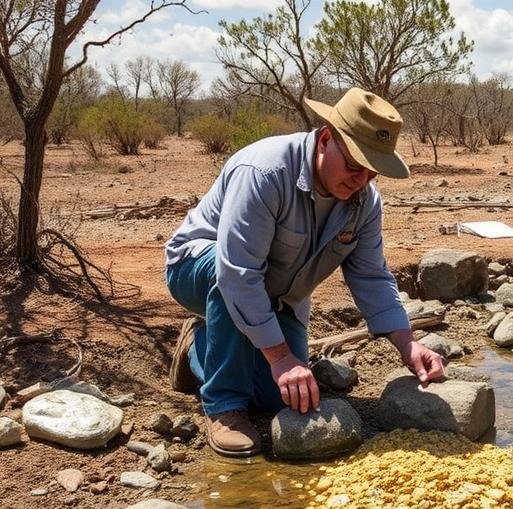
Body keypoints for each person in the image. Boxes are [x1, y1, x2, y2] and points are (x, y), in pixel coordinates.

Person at [164, 88, 445, 457]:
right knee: (237, 299)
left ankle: (197, 346)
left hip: (278, 296)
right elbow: (238, 272)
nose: (360, 181)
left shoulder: (364, 202)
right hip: (199, 268)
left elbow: (371, 276)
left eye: (372, 173)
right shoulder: (264, 171)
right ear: (327, 139)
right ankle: (224, 406)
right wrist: (280, 357)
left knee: (277, 395)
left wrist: (407, 343)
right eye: (354, 166)